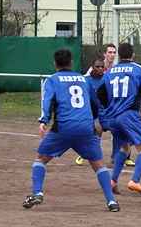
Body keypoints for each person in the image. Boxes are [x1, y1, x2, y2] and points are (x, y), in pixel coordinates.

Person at [23, 48, 119, 212]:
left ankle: (37, 192)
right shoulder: (83, 79)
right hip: (86, 128)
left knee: (40, 159)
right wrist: (97, 121)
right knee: (98, 165)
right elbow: (95, 103)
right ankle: (111, 201)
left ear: (55, 64)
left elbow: (47, 102)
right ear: (71, 62)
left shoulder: (52, 80)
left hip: (64, 127)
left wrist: (43, 121)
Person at [97, 43, 141, 196]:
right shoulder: (137, 69)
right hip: (129, 115)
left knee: (125, 147)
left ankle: (113, 181)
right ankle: (135, 181)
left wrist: (109, 107)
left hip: (113, 117)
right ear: (133, 55)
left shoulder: (110, 71)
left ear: (119, 56)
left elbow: (100, 93)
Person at [77, 46, 136, 168]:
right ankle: (87, 153)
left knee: (122, 128)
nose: (112, 54)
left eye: (114, 52)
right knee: (96, 129)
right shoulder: (86, 79)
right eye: (110, 52)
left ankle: (120, 157)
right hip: (95, 114)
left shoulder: (111, 75)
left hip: (109, 113)